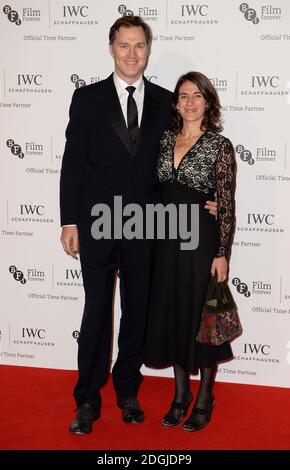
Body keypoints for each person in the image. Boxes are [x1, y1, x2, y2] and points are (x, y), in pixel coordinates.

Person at [60, 16, 217, 435]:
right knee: (96, 311)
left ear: (148, 49)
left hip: (146, 226)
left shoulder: (168, 101)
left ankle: (127, 388)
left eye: (140, 46)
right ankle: (88, 397)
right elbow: (73, 163)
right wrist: (69, 220)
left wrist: (209, 201)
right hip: (96, 223)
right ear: (111, 48)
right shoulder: (87, 98)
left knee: (137, 311)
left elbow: (179, 163)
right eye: (124, 46)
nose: (132, 54)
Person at [143, 71, 235, 432]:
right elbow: (151, 189)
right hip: (166, 241)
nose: (191, 102)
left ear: (208, 102)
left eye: (197, 95)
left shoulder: (219, 145)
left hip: (201, 242)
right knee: (174, 315)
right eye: (183, 96)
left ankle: (204, 397)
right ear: (176, 103)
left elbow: (225, 202)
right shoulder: (164, 140)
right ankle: (180, 395)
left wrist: (222, 251)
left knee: (202, 319)